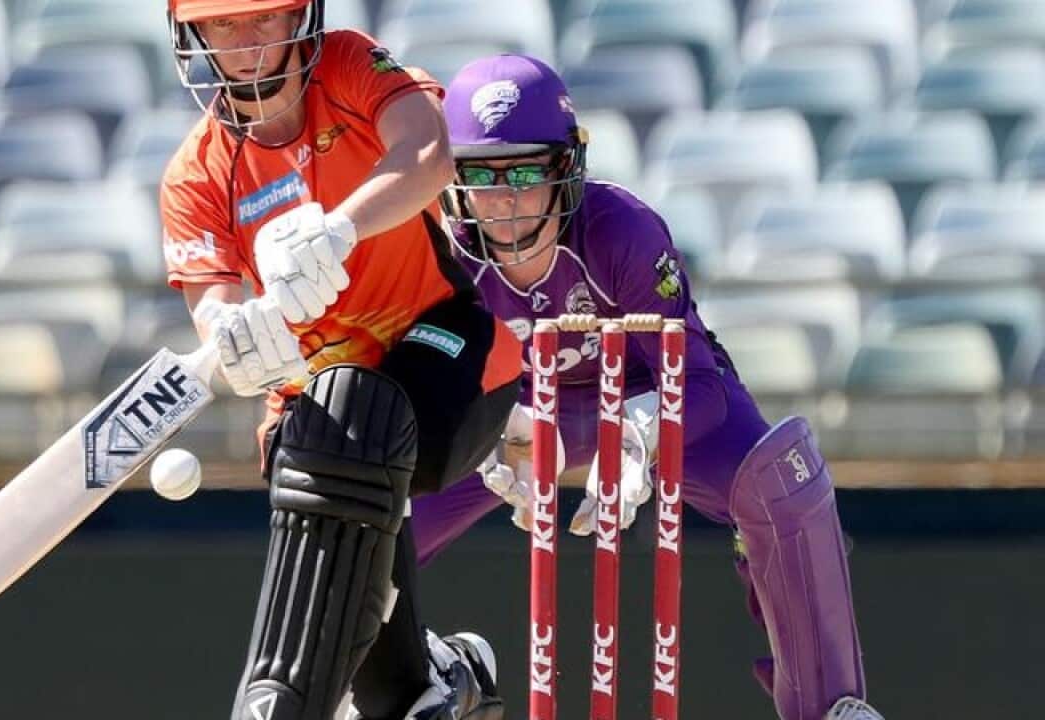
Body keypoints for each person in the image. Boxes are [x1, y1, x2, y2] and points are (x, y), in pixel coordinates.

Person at [408, 53, 886, 720]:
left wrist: (638, 438)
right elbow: (421, 379)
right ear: (454, 181)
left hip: (646, 394)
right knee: (376, 502)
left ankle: (830, 704)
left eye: (524, 172)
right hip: (515, 415)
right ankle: (414, 673)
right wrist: (485, 443)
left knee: (783, 481)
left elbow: (697, 382)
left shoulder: (620, 230)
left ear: (565, 169)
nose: (507, 200)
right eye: (483, 179)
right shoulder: (440, 250)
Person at [159, 1, 519, 718]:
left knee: (356, 412)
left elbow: (428, 153)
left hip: (450, 350)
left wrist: (339, 229)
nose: (248, 43)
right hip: (317, 411)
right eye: (224, 26)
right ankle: (432, 679)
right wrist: (235, 341)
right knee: (393, 699)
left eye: (264, 17)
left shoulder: (349, 66)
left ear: (303, 15)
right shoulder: (194, 178)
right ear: (195, 36)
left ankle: (278, 702)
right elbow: (214, 310)